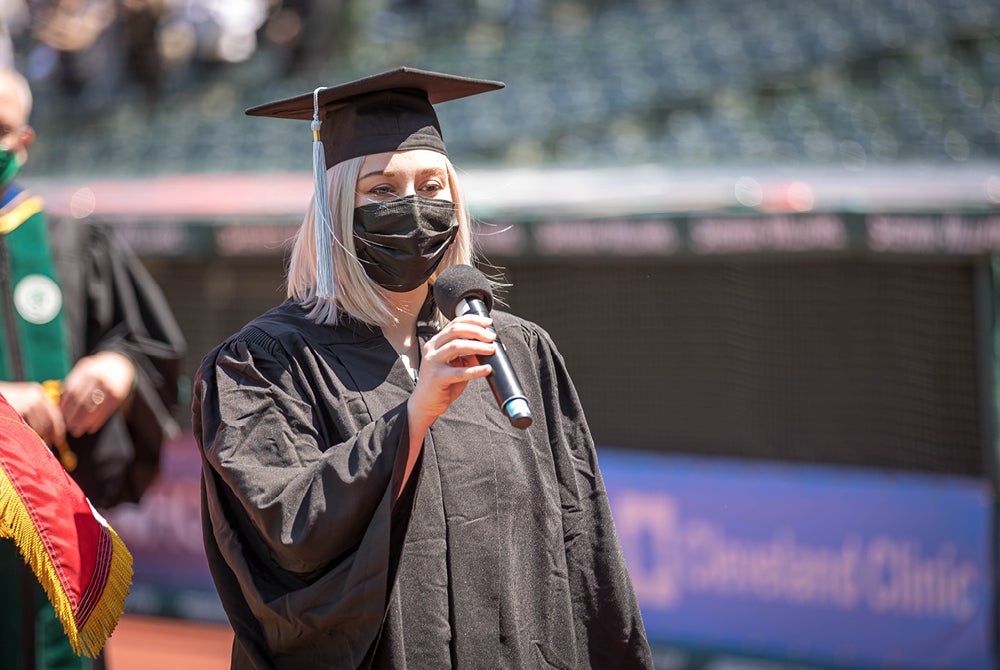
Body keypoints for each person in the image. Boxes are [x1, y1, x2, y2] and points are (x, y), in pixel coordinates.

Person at [192, 67, 654, 668]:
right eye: (381, 190)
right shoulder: (263, 363)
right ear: (335, 207)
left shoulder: (516, 351)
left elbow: (581, 540)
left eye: (433, 187)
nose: (414, 207)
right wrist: (410, 419)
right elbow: (286, 528)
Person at [0, 65, 186, 669]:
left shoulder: (75, 246)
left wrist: (118, 370)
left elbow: (147, 346)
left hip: (55, 538)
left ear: (23, 142)